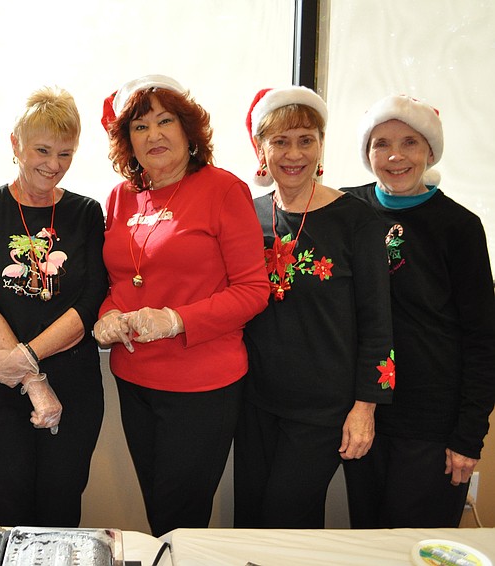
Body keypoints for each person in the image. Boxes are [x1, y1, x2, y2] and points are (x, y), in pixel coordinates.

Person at [94, 75, 268, 537]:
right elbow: (121, 280)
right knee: (159, 512)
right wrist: (107, 316)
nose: (153, 135)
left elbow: (253, 290)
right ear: (127, 141)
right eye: (139, 126)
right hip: (134, 379)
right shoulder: (120, 197)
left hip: (201, 386)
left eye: (165, 121)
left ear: (189, 131)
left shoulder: (224, 189)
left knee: (180, 519)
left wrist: (175, 320)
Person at [232, 86, 394, 529]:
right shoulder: (249, 215)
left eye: (306, 139)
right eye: (280, 141)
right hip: (256, 403)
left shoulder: (357, 221)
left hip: (324, 410)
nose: (293, 153)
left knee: (285, 522)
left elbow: (379, 323)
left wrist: (366, 408)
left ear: (321, 145)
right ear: (261, 149)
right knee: (249, 521)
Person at [341, 94, 495, 528]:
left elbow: (484, 338)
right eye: (381, 143)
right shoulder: (346, 211)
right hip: (361, 412)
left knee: (415, 547)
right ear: (367, 152)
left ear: (429, 151)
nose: (395, 155)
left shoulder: (459, 227)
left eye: (410, 142)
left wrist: (469, 434)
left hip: (432, 422)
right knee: (369, 539)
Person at [0, 86, 107, 527]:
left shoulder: (86, 213)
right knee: (10, 504)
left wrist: (29, 358)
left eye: (66, 154)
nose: (53, 165)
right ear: (15, 145)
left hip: (73, 381)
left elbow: (89, 301)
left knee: (62, 507)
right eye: (43, 150)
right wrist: (30, 378)